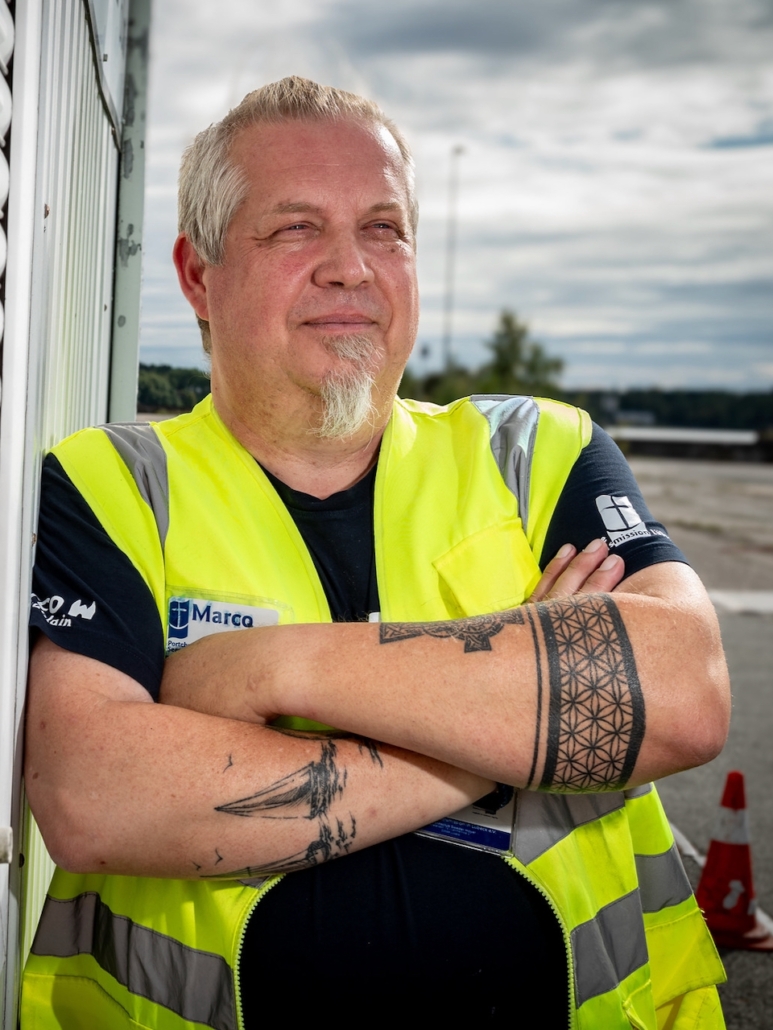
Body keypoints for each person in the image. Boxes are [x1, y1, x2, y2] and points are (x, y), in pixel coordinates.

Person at [22, 77, 729, 1029]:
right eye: (296, 229)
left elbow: (682, 695)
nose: (351, 267)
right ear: (198, 274)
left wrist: (265, 670)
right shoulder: (114, 484)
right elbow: (96, 794)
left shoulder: (536, 453)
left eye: (385, 228)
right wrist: (514, 733)